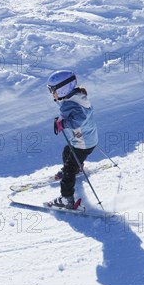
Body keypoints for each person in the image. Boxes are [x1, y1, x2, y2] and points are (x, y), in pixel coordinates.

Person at [46, 70, 99, 209]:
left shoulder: (71, 103)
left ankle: (67, 199)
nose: (52, 93)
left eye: (52, 90)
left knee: (68, 171)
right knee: (67, 151)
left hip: (83, 143)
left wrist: (62, 124)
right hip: (87, 139)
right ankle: (76, 167)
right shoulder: (77, 97)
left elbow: (78, 120)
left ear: (63, 89)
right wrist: (61, 120)